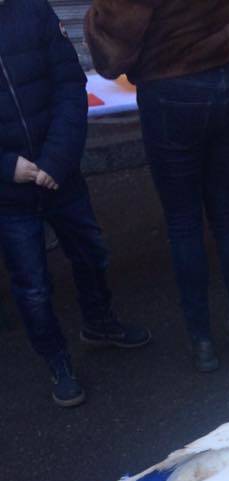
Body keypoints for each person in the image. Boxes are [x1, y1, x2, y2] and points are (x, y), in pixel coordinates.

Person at [85, 0, 229, 373]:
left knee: (184, 222)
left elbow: (113, 41)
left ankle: (202, 342)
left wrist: (94, 20)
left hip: (172, 88)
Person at [0, 0, 150, 408]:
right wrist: (8, 167)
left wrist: (56, 160)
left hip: (59, 175)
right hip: (10, 194)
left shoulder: (32, 10)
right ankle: (58, 362)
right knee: (32, 287)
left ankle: (99, 323)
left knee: (91, 254)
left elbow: (69, 84)